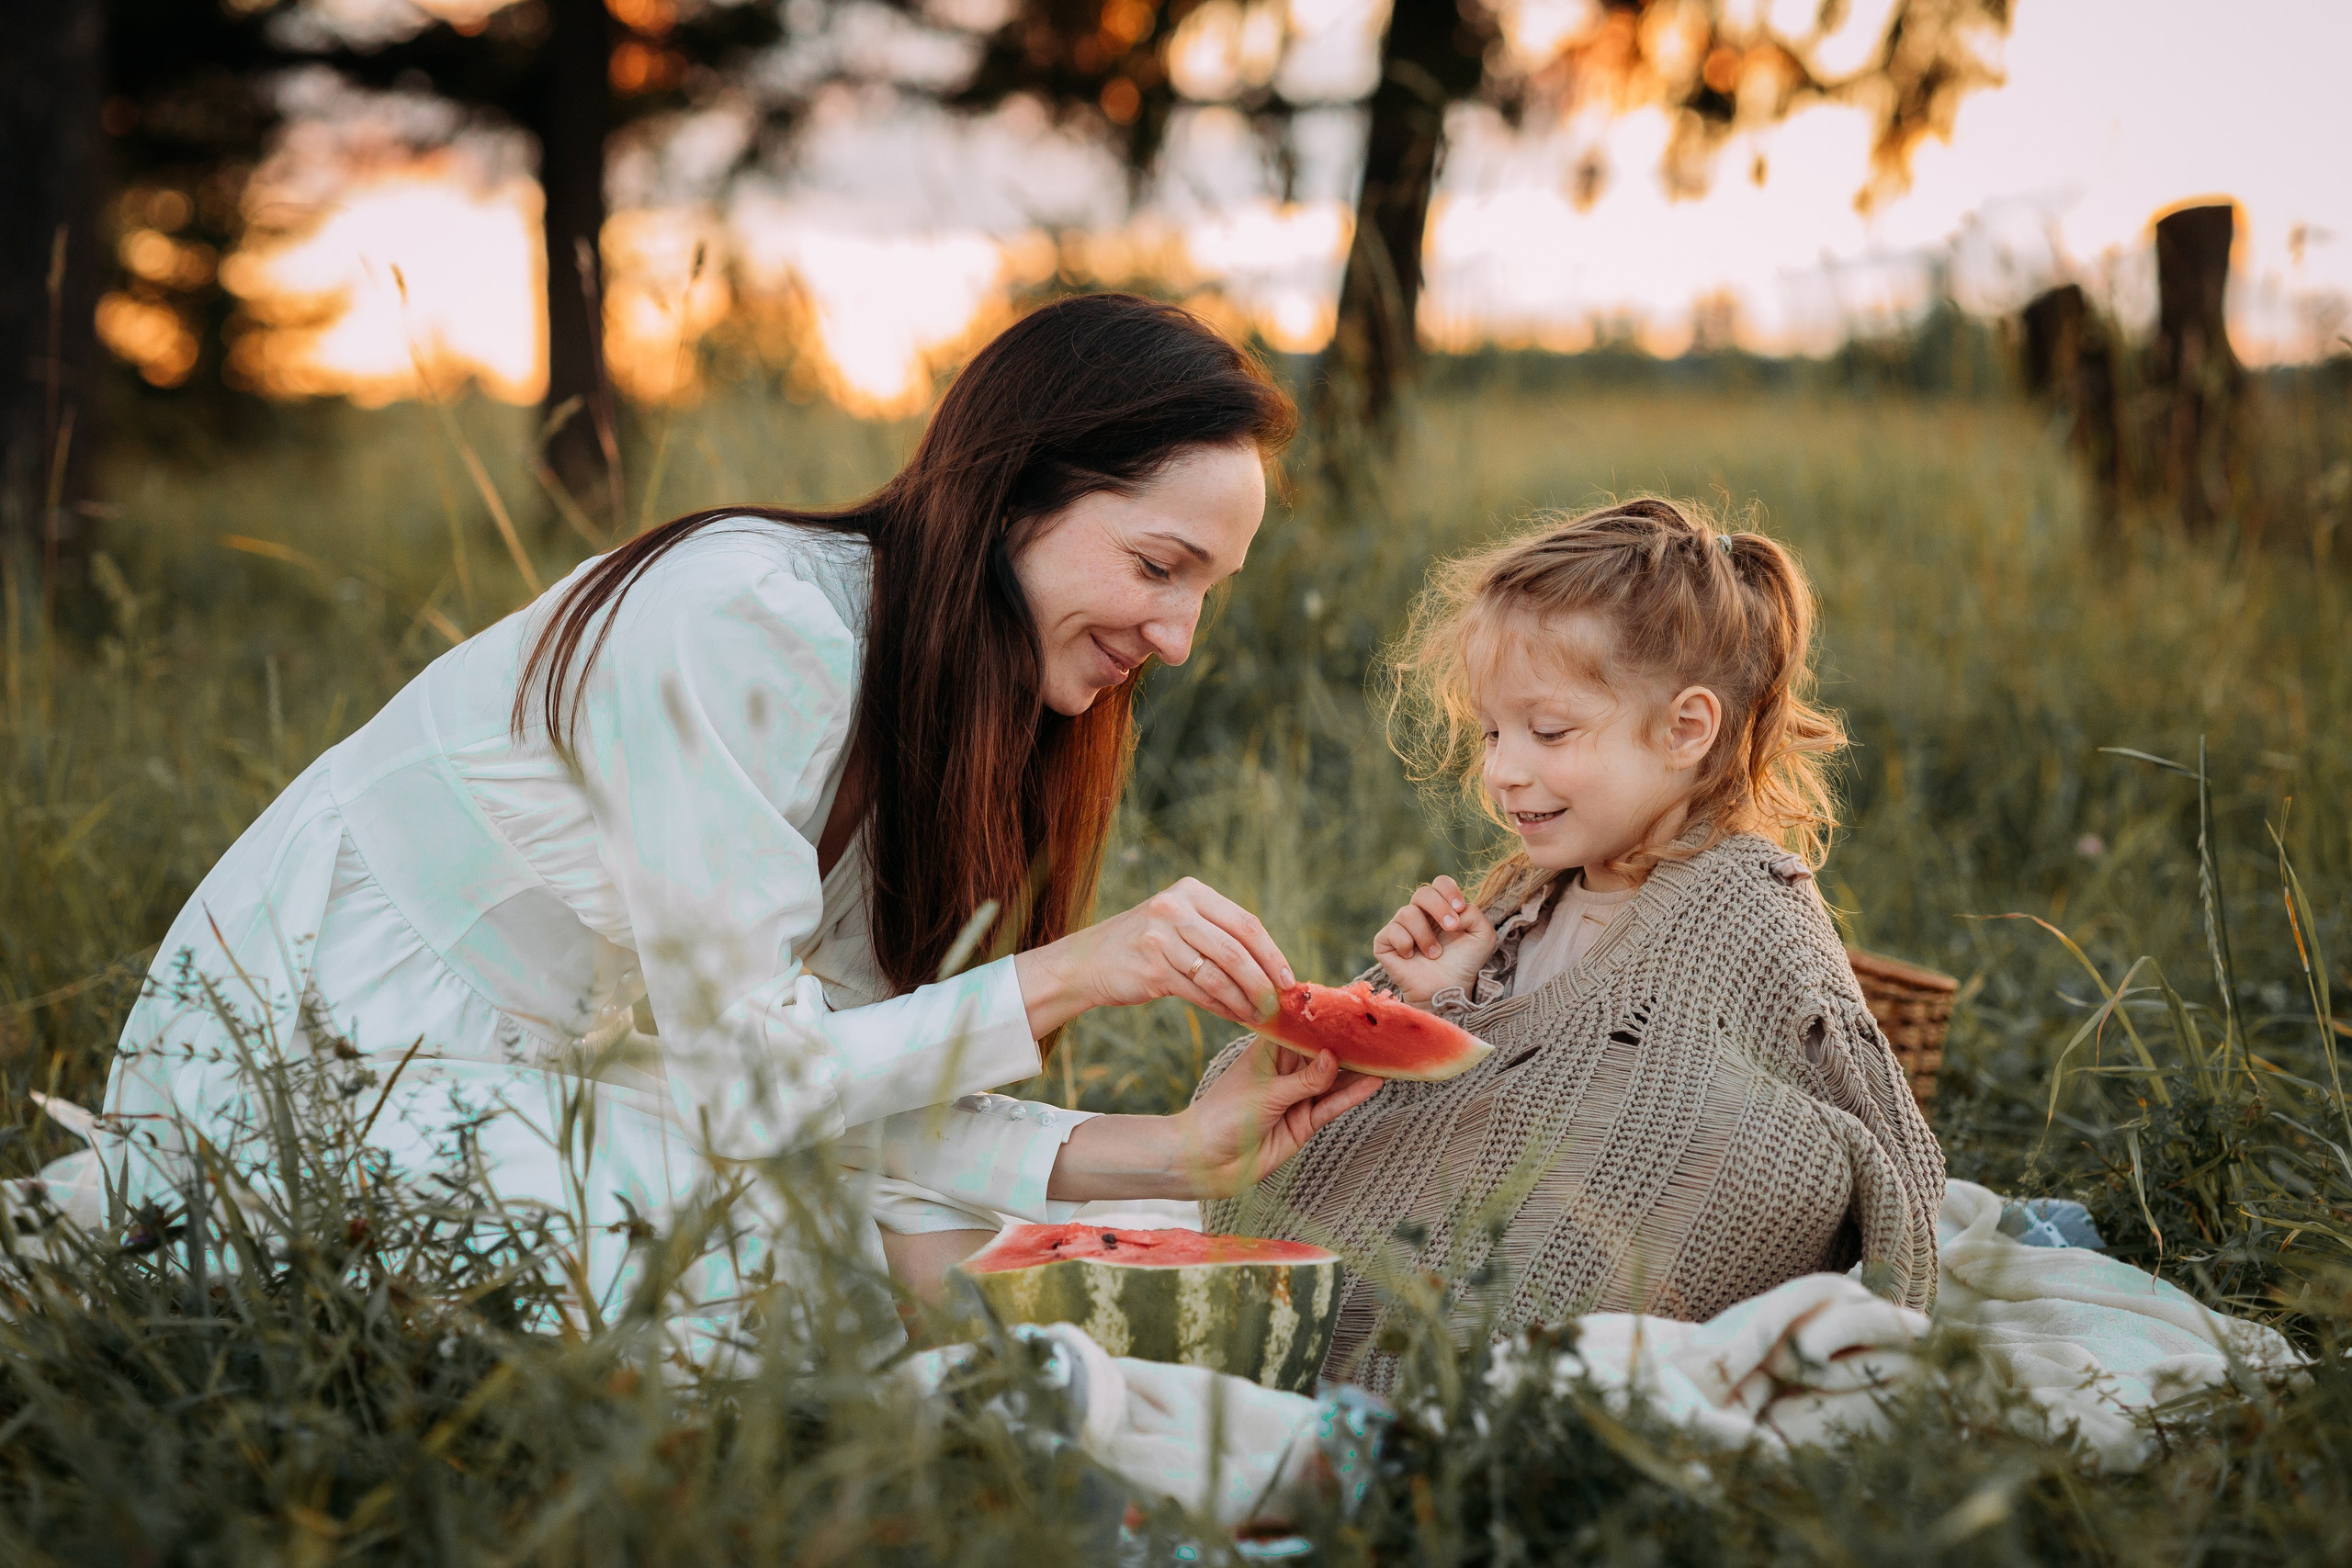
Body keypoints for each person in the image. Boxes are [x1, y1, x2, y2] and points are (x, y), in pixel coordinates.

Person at [79, 293, 1380, 1333]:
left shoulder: (935, 704)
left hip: (540, 1076)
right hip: (314, 1073)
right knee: (774, 1241)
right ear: (1014, 491)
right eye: (1160, 567)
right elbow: (756, 1087)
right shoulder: (747, 615)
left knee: (953, 1216)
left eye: (1208, 590)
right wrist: (1065, 974)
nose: (1180, 637)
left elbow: (833, 1077)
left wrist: (1166, 1149)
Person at [1197, 497, 1943, 1393]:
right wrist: (1445, 998)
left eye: (1547, 732)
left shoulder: (1751, 902)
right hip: (1484, 1237)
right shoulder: (1524, 894)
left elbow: (1811, 1129)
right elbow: (1493, 1101)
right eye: (1490, 733)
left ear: (1684, 729)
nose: (1504, 769)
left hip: (1594, 1269)